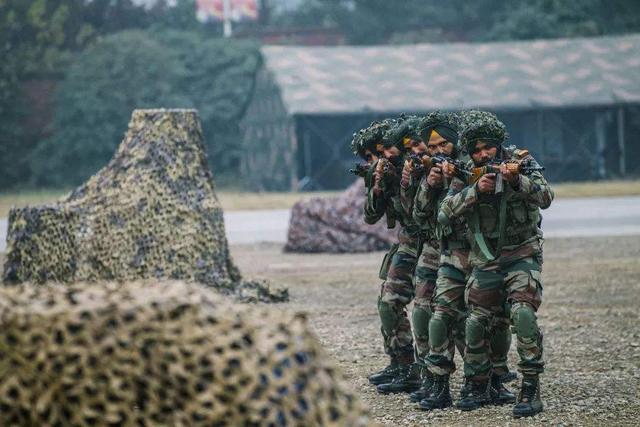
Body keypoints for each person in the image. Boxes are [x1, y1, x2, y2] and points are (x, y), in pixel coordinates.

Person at [438, 111, 553, 417]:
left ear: (498, 145)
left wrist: (517, 182)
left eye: (487, 147)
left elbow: (546, 197)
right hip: (485, 259)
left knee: (523, 314)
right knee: (475, 321)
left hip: (521, 254)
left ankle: (530, 386)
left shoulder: (523, 162)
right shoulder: (465, 170)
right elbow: (444, 212)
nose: (482, 154)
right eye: (475, 150)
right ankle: (477, 384)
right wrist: (476, 190)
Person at [416, 110, 515, 411]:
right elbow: (426, 215)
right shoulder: (447, 172)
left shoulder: (473, 165)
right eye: (432, 147)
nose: (437, 151)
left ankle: (492, 380)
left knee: (492, 321)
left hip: (486, 255)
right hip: (455, 254)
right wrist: (430, 185)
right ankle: (437, 383)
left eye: (443, 144)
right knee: (440, 315)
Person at [367, 115, 425, 394]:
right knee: (388, 302)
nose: (380, 158)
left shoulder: (415, 166)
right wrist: (378, 187)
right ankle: (401, 364)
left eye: (382, 152)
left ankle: (485, 374)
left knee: (437, 312)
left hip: (429, 243)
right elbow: (370, 216)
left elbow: (417, 213)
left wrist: (401, 181)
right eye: (374, 156)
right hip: (407, 243)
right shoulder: (386, 170)